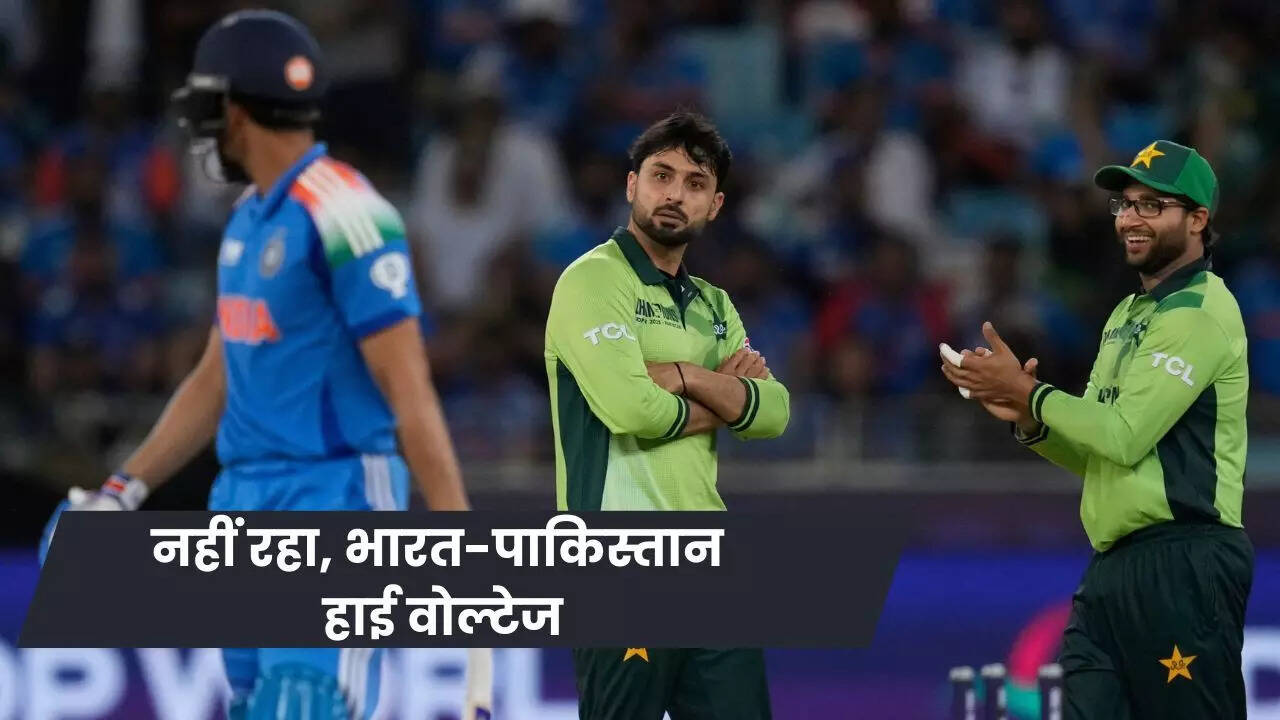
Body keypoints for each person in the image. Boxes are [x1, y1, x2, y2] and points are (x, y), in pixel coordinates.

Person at [39, 10, 479, 719]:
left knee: (303, 703)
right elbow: (217, 377)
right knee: (257, 707)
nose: (201, 131)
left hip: (334, 499)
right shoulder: (249, 216)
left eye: (206, 111)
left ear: (236, 113)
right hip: (244, 504)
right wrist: (122, 490)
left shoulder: (347, 213)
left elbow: (409, 390)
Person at [940, 140, 1253, 719]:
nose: (1130, 218)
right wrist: (1030, 419)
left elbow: (1121, 436)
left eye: (1151, 205)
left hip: (1183, 560)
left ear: (1197, 220)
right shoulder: (1127, 315)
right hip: (1112, 567)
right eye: (1125, 204)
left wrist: (1031, 393)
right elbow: (1099, 451)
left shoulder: (1201, 312)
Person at [544, 112, 789, 719]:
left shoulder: (714, 303)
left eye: (695, 183)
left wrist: (683, 374)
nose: (676, 194)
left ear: (716, 205)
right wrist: (724, 396)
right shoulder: (592, 280)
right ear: (632, 185)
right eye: (662, 175)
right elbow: (633, 409)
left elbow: (774, 413)